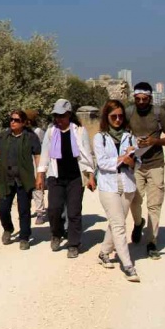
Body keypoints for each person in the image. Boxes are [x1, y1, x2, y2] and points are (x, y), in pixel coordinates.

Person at [36, 99, 95, 258]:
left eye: (61, 116)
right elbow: (45, 154)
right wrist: (40, 174)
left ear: (69, 114)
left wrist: (91, 175)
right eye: (56, 116)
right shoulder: (50, 132)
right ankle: (56, 234)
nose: (58, 119)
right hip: (56, 177)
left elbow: (86, 154)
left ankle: (74, 243)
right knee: (54, 209)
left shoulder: (79, 131)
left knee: (74, 212)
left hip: (75, 177)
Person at [127, 82, 165, 260]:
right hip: (136, 164)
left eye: (144, 99)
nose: (141, 102)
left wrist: (154, 141)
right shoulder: (129, 113)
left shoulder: (158, 113)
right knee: (134, 200)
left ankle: (151, 242)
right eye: (137, 99)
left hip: (156, 164)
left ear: (150, 98)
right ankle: (138, 223)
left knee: (154, 205)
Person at [0, 110, 42, 250]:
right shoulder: (4, 135)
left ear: (24, 122)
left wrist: (39, 174)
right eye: (11, 119)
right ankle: (8, 228)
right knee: (3, 209)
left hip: (24, 178)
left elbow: (38, 155)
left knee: (24, 210)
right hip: (6, 178)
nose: (13, 122)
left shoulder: (30, 137)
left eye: (16, 120)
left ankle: (24, 237)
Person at [94, 100, 140, 282]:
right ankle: (128, 265)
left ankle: (104, 253)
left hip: (127, 184)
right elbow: (102, 163)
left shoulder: (130, 136)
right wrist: (123, 158)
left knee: (115, 223)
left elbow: (138, 162)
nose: (118, 120)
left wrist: (133, 161)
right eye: (114, 116)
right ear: (107, 117)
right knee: (120, 225)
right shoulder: (100, 137)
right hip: (108, 186)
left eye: (121, 116)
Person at [25, 109, 47, 225]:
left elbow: (43, 148)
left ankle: (40, 212)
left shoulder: (38, 131)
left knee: (37, 187)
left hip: (35, 161)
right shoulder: (23, 132)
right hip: (25, 162)